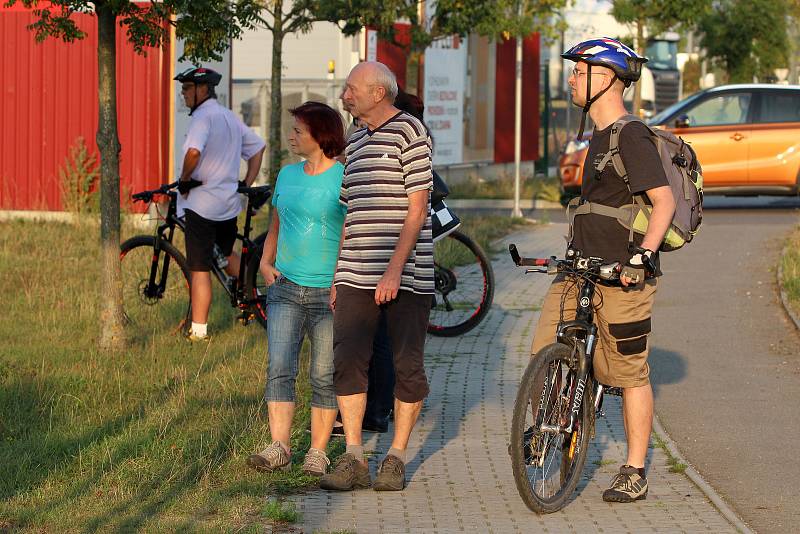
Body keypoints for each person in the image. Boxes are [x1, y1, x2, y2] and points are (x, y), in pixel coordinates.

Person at [531, 38, 676, 503]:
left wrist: (643, 257)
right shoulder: (592, 134)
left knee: (627, 371)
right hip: (580, 268)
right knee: (543, 353)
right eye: (572, 71)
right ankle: (550, 426)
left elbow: (664, 201)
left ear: (606, 77)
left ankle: (634, 470)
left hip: (624, 273)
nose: (571, 78)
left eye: (579, 71)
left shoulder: (629, 133)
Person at [320, 61, 434, 492]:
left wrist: (393, 271)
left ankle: (396, 456)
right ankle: (353, 457)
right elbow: (351, 212)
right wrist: (338, 273)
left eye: (351, 89)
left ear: (378, 93)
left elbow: (417, 209)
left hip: (405, 274)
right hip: (355, 271)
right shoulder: (356, 138)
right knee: (347, 360)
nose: (344, 96)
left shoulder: (410, 133)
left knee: (407, 366)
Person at [245, 102, 347, 476]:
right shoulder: (287, 176)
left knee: (323, 374)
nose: (291, 136)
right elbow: (277, 222)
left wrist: (340, 279)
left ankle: (317, 453)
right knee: (279, 367)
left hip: (327, 292)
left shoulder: (342, 177)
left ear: (320, 136)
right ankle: (280, 447)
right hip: (286, 286)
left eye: (298, 131)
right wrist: (265, 262)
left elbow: (349, 233)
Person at [174, 66, 266, 342]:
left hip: (202, 205)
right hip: (227, 205)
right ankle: (258, 298)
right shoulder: (228, 116)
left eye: (188, 88)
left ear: (203, 90)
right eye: (183, 89)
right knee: (225, 254)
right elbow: (258, 148)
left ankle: (198, 331)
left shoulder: (202, 118)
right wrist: (246, 184)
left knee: (199, 267)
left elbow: (193, 152)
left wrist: (184, 178)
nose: (184, 94)